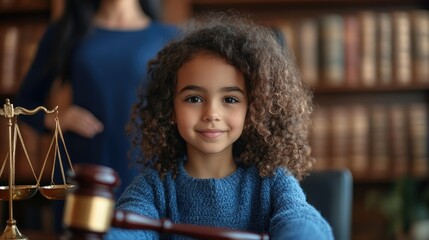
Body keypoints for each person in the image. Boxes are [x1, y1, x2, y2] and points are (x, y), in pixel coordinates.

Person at [105, 12, 334, 240]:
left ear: (253, 108)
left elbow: (302, 220)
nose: (211, 114)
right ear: (170, 109)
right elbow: (127, 229)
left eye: (230, 99)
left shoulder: (272, 182)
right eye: (194, 98)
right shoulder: (155, 187)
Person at [14, 0, 178, 197]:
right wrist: (56, 119)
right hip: (83, 162)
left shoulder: (167, 37)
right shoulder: (68, 30)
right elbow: (23, 102)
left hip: (143, 164)